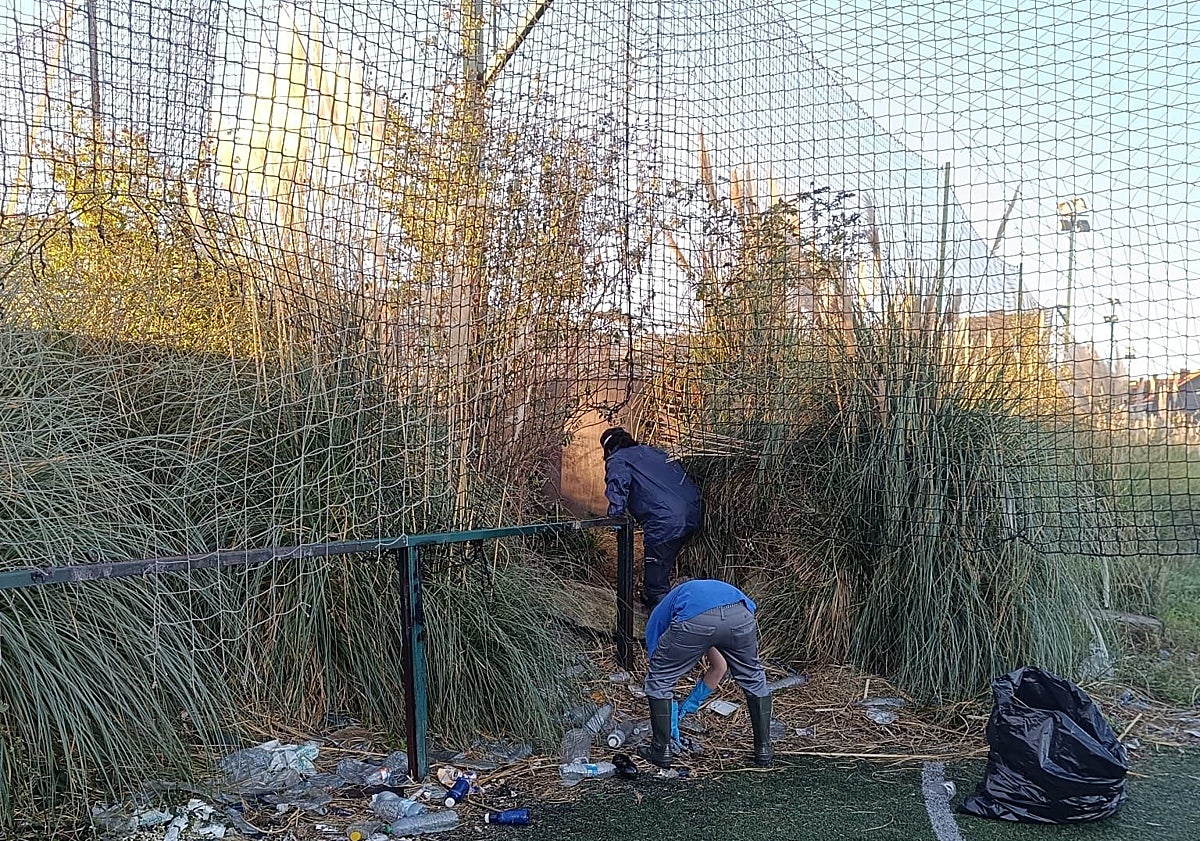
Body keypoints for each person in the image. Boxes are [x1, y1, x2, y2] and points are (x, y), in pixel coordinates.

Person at [639, 578, 772, 769]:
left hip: (696, 619)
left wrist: (673, 710)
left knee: (660, 679)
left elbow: (660, 673)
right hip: (740, 614)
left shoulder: (659, 616)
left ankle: (661, 750)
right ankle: (764, 749)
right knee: (753, 678)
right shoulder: (702, 597)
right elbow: (720, 667)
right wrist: (690, 704)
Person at [600, 427, 702, 608]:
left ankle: (664, 625)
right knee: (664, 566)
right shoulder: (654, 452)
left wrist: (615, 516)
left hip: (664, 521)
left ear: (608, 450)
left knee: (655, 587)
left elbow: (618, 483)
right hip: (693, 512)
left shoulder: (617, 459)